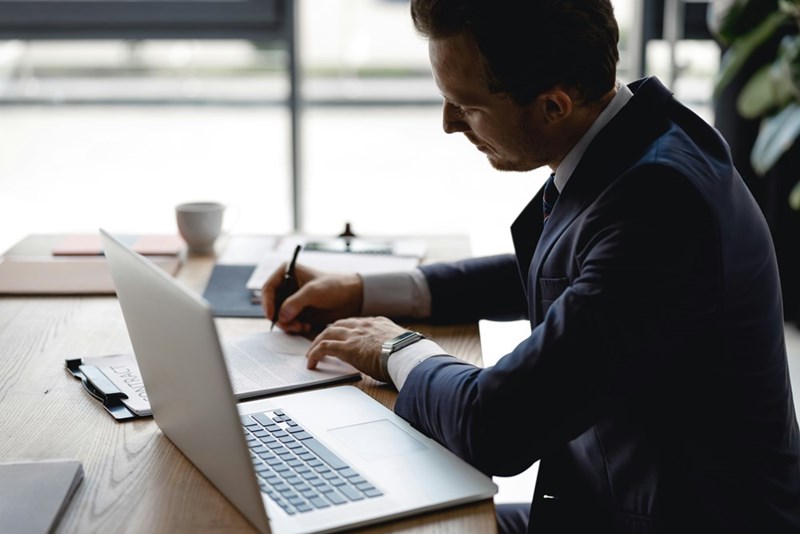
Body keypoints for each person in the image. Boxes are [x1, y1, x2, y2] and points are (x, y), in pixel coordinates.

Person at [262, 0, 800, 531]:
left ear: (553, 106)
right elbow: (566, 275)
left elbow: (498, 425)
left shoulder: (660, 204)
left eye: (467, 106)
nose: (449, 124)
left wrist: (395, 348)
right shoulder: (635, 139)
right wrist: (361, 290)